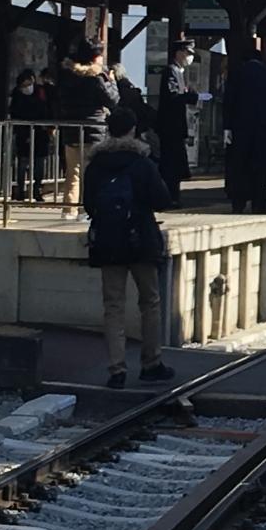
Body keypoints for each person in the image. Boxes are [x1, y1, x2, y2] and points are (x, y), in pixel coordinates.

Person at [82, 107, 174, 389]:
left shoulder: (95, 165)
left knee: (113, 305)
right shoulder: (142, 163)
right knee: (150, 301)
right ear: (133, 130)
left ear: (109, 130)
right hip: (140, 239)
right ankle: (151, 363)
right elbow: (162, 200)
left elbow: (89, 205)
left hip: (108, 242)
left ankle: (116, 369)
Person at [58, 38, 119, 219]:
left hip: (71, 129)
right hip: (94, 129)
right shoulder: (97, 78)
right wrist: (112, 82)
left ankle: (69, 210)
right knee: (91, 173)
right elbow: (113, 100)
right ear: (95, 57)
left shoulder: (67, 75)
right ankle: (87, 210)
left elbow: (59, 99)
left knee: (73, 173)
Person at [224, 46, 266, 213]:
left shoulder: (237, 74)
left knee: (240, 165)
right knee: (261, 167)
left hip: (240, 127)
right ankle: (259, 205)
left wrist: (228, 126)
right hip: (264, 128)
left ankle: (238, 204)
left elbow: (228, 101)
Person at [158, 40, 199, 207]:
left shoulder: (178, 72)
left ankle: (173, 196)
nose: (189, 57)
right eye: (188, 53)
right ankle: (169, 197)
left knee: (174, 165)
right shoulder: (171, 71)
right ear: (179, 53)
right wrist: (191, 96)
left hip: (175, 126)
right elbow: (173, 96)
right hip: (170, 127)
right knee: (170, 165)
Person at [9, 68, 50, 200]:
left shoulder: (41, 92)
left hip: (40, 133)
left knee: (39, 163)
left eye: (29, 83)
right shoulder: (17, 94)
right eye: (24, 85)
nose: (27, 87)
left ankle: (37, 190)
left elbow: (46, 109)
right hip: (23, 133)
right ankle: (20, 190)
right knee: (23, 162)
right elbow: (14, 112)